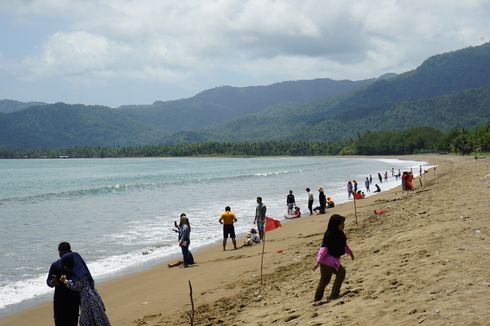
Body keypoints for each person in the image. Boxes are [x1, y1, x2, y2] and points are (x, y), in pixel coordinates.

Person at [59, 252, 110, 326]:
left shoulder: (79, 274)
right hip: (93, 296)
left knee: (87, 321)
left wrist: (65, 281)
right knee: (98, 318)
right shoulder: (81, 270)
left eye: (65, 265)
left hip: (87, 300)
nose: (64, 267)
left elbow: (76, 286)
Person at [312, 214, 354, 301]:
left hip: (327, 261)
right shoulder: (330, 235)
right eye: (341, 223)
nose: (343, 225)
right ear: (335, 224)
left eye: (343, 223)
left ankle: (317, 299)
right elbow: (323, 250)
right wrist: (318, 262)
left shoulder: (339, 234)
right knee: (341, 273)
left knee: (325, 280)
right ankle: (334, 294)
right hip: (329, 261)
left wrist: (350, 253)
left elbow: (344, 245)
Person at [47, 242, 80, 326]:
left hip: (73, 299)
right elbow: (48, 280)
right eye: (60, 254)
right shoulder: (55, 265)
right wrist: (52, 283)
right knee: (59, 323)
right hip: (59, 300)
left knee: (73, 323)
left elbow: (82, 280)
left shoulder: (76, 264)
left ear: (70, 252)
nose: (62, 256)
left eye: (64, 254)